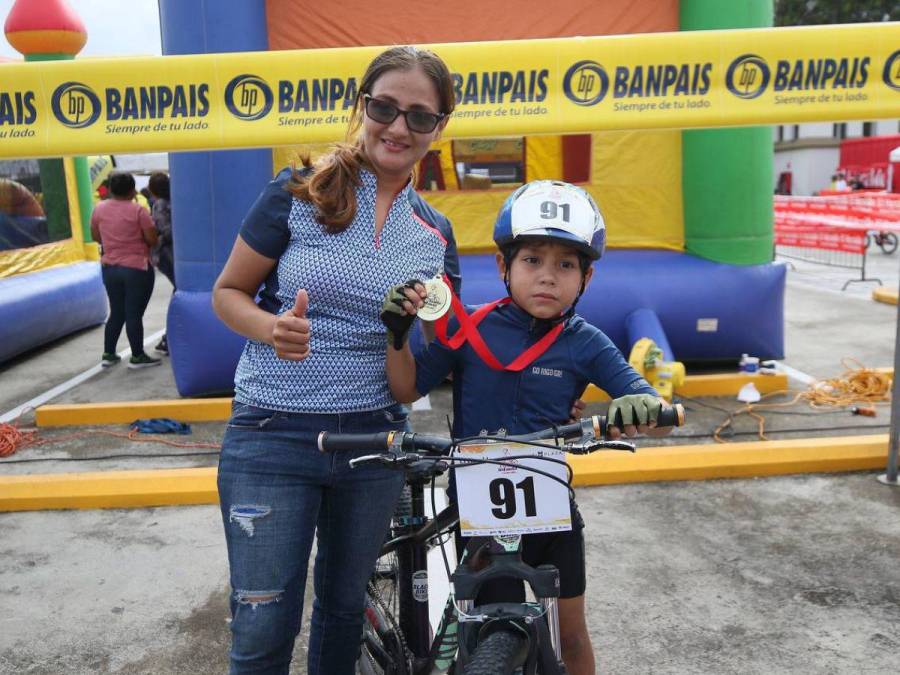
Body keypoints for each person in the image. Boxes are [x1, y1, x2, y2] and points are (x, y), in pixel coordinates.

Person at [211, 45, 460, 674]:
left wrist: (397, 335)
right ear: (362, 106)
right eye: (385, 107)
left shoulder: (435, 238)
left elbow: (406, 388)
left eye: (420, 116)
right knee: (264, 623)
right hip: (273, 432)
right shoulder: (298, 191)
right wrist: (272, 329)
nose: (398, 127)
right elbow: (227, 293)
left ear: (439, 129)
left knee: (345, 612)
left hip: (374, 442)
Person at [381, 180, 672, 675]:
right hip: (480, 512)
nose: (547, 278)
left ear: (586, 278)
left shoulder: (587, 342)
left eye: (565, 265)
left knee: (572, 633)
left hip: (552, 509)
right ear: (503, 267)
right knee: (486, 627)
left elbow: (650, 404)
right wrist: (397, 336)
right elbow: (407, 389)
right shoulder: (468, 329)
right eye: (532, 260)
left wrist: (641, 407)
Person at [90, 171, 161, 368]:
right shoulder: (139, 211)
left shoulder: (99, 210)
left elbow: (96, 236)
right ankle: (137, 356)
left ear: (110, 189)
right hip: (136, 267)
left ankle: (109, 353)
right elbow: (152, 239)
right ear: (132, 190)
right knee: (133, 313)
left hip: (110, 267)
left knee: (117, 311)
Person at [147, 172, 174, 355]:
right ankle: (168, 337)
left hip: (165, 253)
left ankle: (168, 337)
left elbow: (165, 230)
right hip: (168, 254)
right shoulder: (170, 203)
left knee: (178, 292)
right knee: (178, 291)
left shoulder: (160, 205)